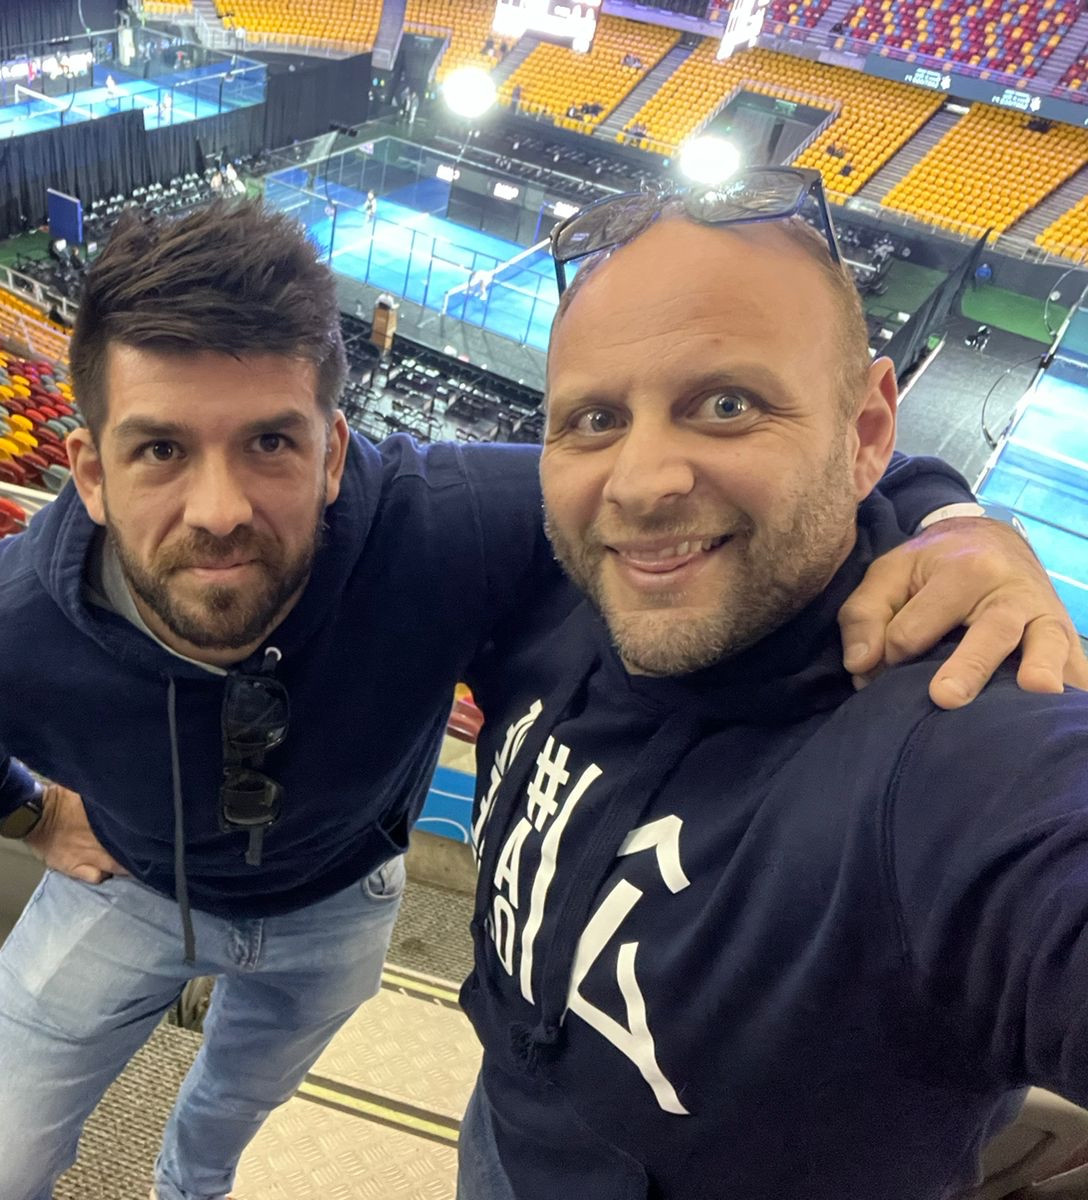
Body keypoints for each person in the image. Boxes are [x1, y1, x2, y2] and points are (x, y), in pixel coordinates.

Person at [0, 201, 1080, 1200]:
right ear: (88, 472)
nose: (218, 507)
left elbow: (769, 477)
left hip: (336, 912)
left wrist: (948, 521)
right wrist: (27, 814)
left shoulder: (456, 523)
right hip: (125, 896)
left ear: (335, 449)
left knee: (221, 1133)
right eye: (159, 449)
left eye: (270, 442)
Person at [457, 193, 1088, 1199]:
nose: (641, 483)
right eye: (595, 419)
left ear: (866, 432)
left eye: (726, 405)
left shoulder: (949, 747)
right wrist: (952, 510)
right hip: (501, 1128)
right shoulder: (551, 572)